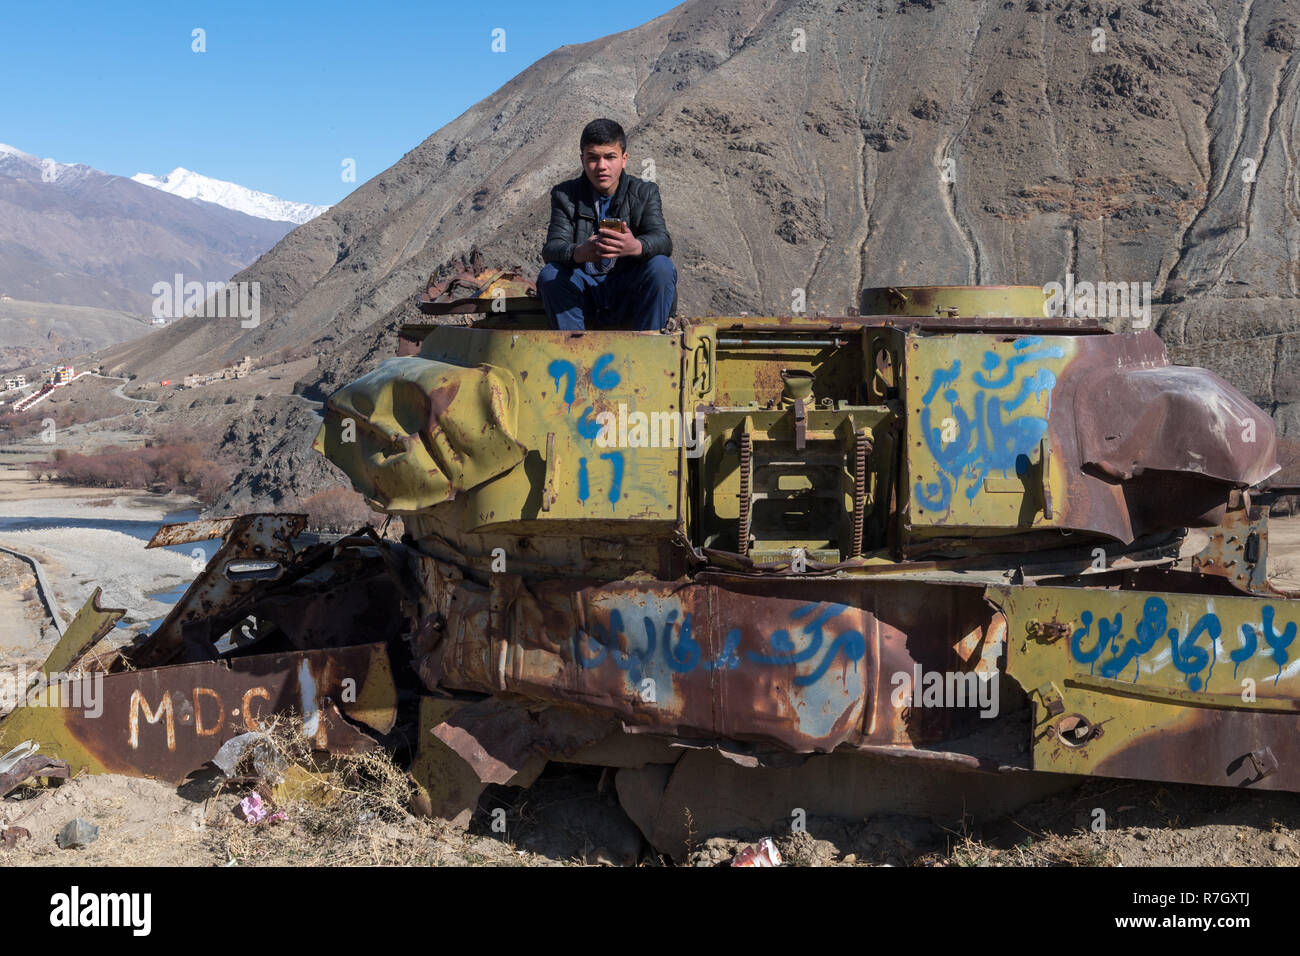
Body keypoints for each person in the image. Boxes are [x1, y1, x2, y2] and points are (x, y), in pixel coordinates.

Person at [537, 119, 676, 331]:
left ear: (624, 159)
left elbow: (663, 242)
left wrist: (635, 247)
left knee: (661, 268)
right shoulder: (565, 195)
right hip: (586, 289)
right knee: (550, 275)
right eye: (593, 158)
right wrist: (579, 252)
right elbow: (552, 248)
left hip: (629, 288)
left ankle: (650, 347)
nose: (601, 166)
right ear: (582, 159)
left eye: (610, 157)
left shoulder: (645, 193)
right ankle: (574, 353)